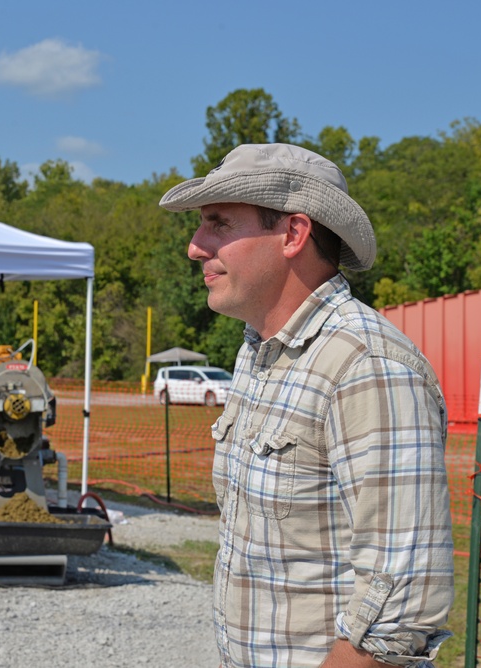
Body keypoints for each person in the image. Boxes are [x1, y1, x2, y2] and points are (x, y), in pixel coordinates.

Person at [159, 144, 454, 668]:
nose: (195, 247)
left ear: (293, 234)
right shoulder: (258, 350)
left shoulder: (366, 366)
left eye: (219, 223)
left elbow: (398, 612)